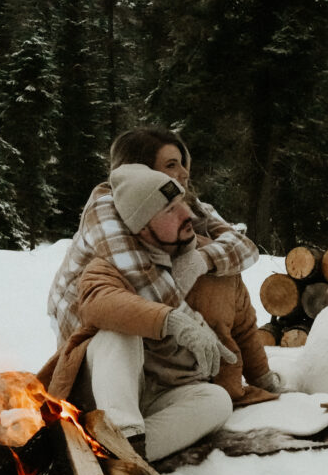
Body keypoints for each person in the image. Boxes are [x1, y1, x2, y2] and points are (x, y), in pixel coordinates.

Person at [46, 126, 282, 405]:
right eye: (172, 164)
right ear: (138, 169)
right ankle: (132, 418)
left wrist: (201, 260)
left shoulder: (178, 201)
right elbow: (143, 281)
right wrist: (198, 336)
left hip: (150, 329)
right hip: (98, 335)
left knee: (216, 267)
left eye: (184, 163)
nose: (183, 172)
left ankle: (192, 388)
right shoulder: (107, 206)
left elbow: (243, 247)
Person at [39, 165, 240, 461]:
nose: (186, 214)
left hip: (158, 392)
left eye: (181, 203)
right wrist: (171, 321)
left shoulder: (195, 260)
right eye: (170, 210)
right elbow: (99, 302)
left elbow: (245, 320)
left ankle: (122, 456)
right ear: (144, 227)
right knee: (119, 333)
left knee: (217, 400)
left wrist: (257, 375)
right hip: (99, 394)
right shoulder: (109, 263)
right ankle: (125, 435)